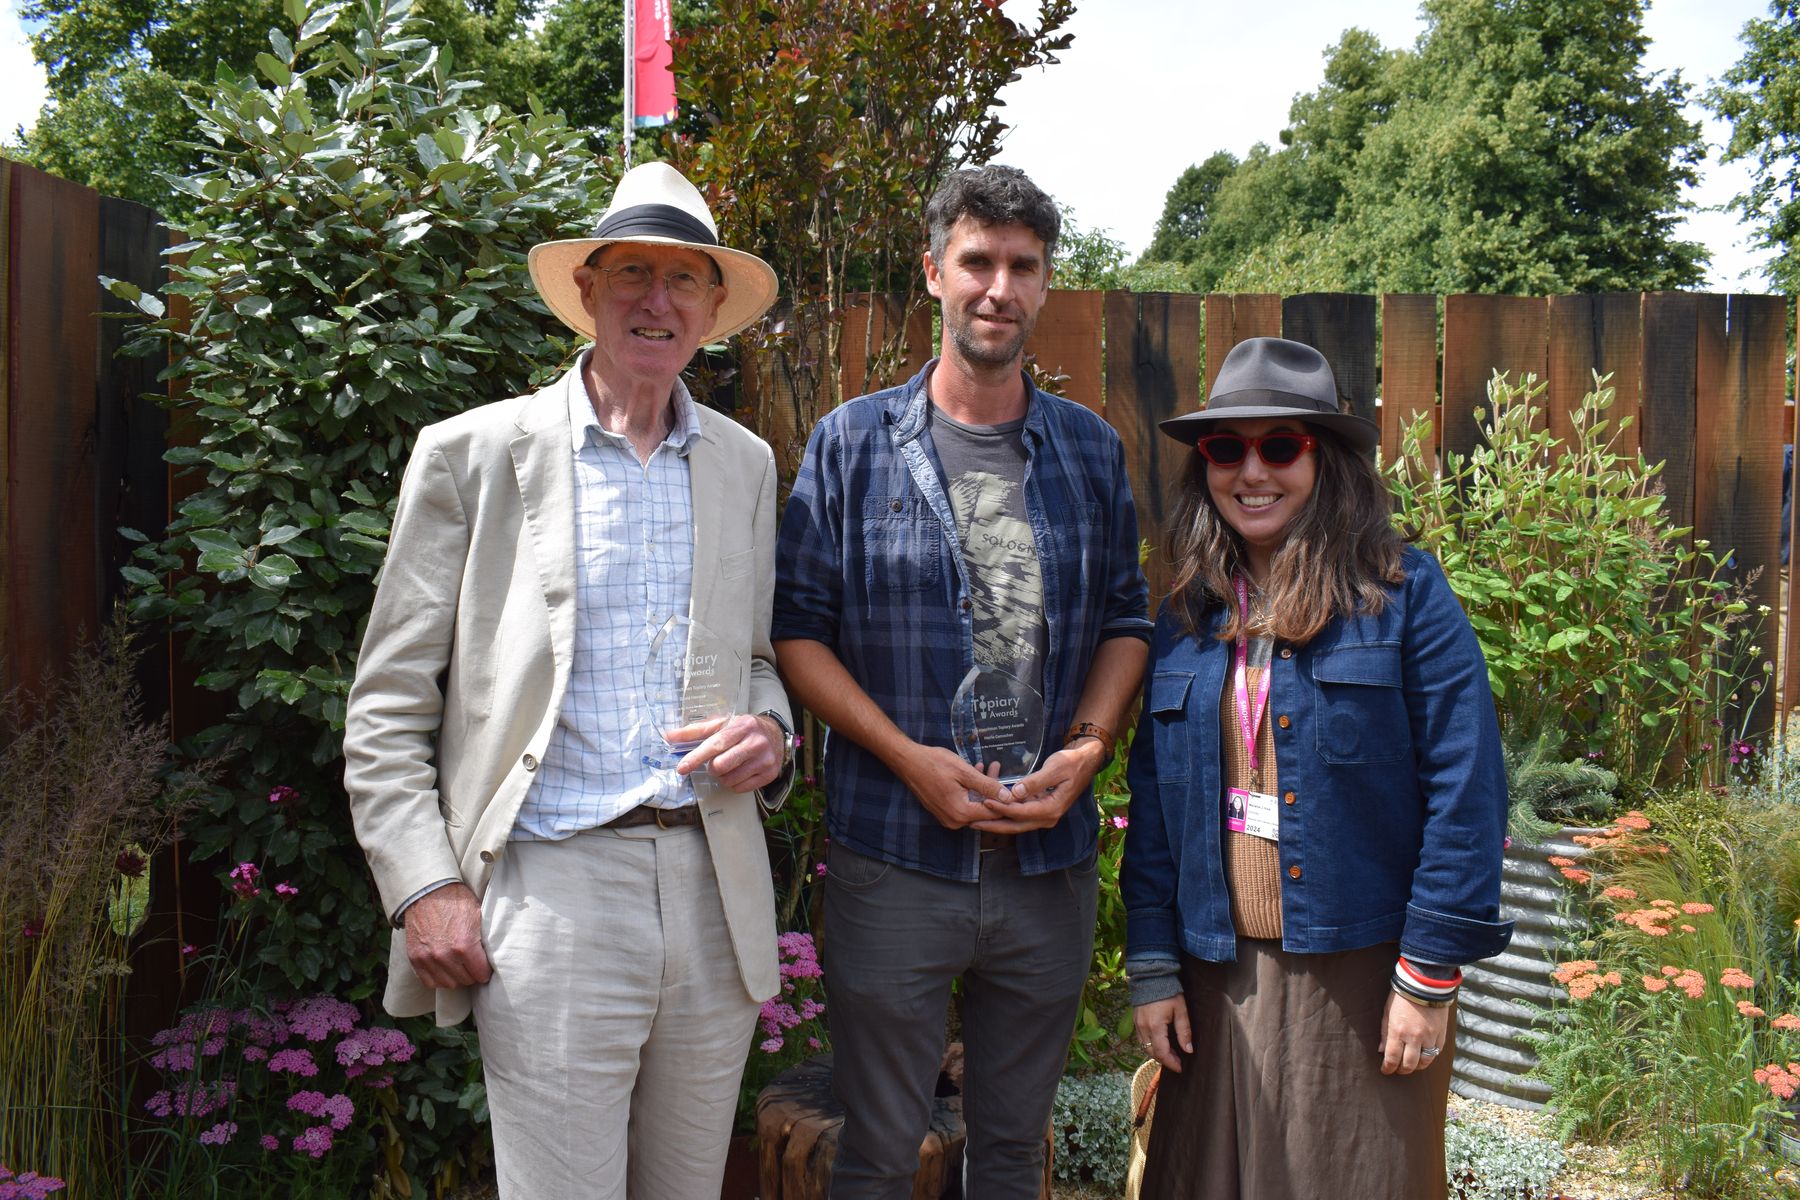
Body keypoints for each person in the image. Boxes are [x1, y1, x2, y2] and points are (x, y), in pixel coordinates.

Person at [343, 162, 797, 1200]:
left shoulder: (745, 464)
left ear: (714, 307)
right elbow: (386, 707)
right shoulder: (472, 455)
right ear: (586, 291)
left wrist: (770, 735)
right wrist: (425, 884)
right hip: (550, 891)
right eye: (632, 273)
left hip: (713, 890)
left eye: (685, 279)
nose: (657, 299)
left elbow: (761, 662)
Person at [773, 164, 1151, 1198]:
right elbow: (797, 633)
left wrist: (1086, 749)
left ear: (1045, 284)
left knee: (1014, 1152)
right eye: (977, 261)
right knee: (879, 1148)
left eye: (1022, 267)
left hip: (1047, 863)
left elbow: (1127, 618)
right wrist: (906, 760)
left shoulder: (1087, 450)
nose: (999, 287)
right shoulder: (851, 443)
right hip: (894, 854)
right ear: (933, 271)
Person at [1122, 337, 1512, 1199]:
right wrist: (1152, 966)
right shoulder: (1185, 619)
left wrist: (1428, 977)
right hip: (1213, 977)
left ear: (1325, 460)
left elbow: (1469, 790)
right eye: (1227, 448)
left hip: (1361, 975)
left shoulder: (1406, 597)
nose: (1251, 471)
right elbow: (1152, 809)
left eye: (1281, 446)